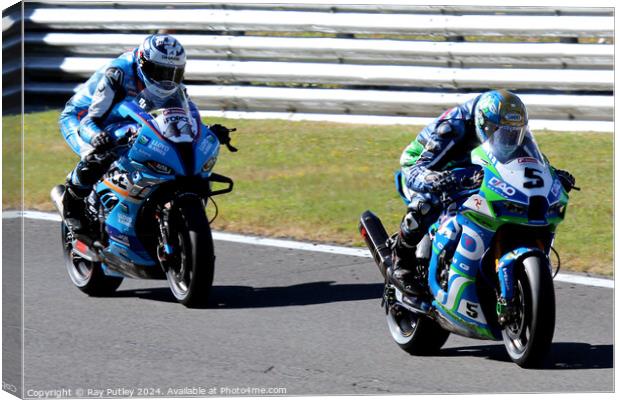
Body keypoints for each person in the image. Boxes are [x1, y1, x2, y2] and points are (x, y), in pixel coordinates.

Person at [389, 89, 576, 296]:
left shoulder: (510, 129)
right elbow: (417, 169)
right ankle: (401, 262)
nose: (507, 139)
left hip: (474, 166)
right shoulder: (451, 127)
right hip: (427, 164)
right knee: (427, 203)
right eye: (501, 133)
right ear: (483, 124)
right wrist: (441, 179)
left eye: (513, 133)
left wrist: (552, 175)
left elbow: (528, 161)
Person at [58, 33, 233, 234]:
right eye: (159, 72)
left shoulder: (174, 88)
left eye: (173, 73)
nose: (165, 80)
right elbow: (90, 119)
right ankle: (72, 208)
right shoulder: (118, 73)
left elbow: (182, 121)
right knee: (97, 156)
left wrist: (206, 131)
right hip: (84, 118)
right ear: (142, 63)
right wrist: (97, 136)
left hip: (127, 120)